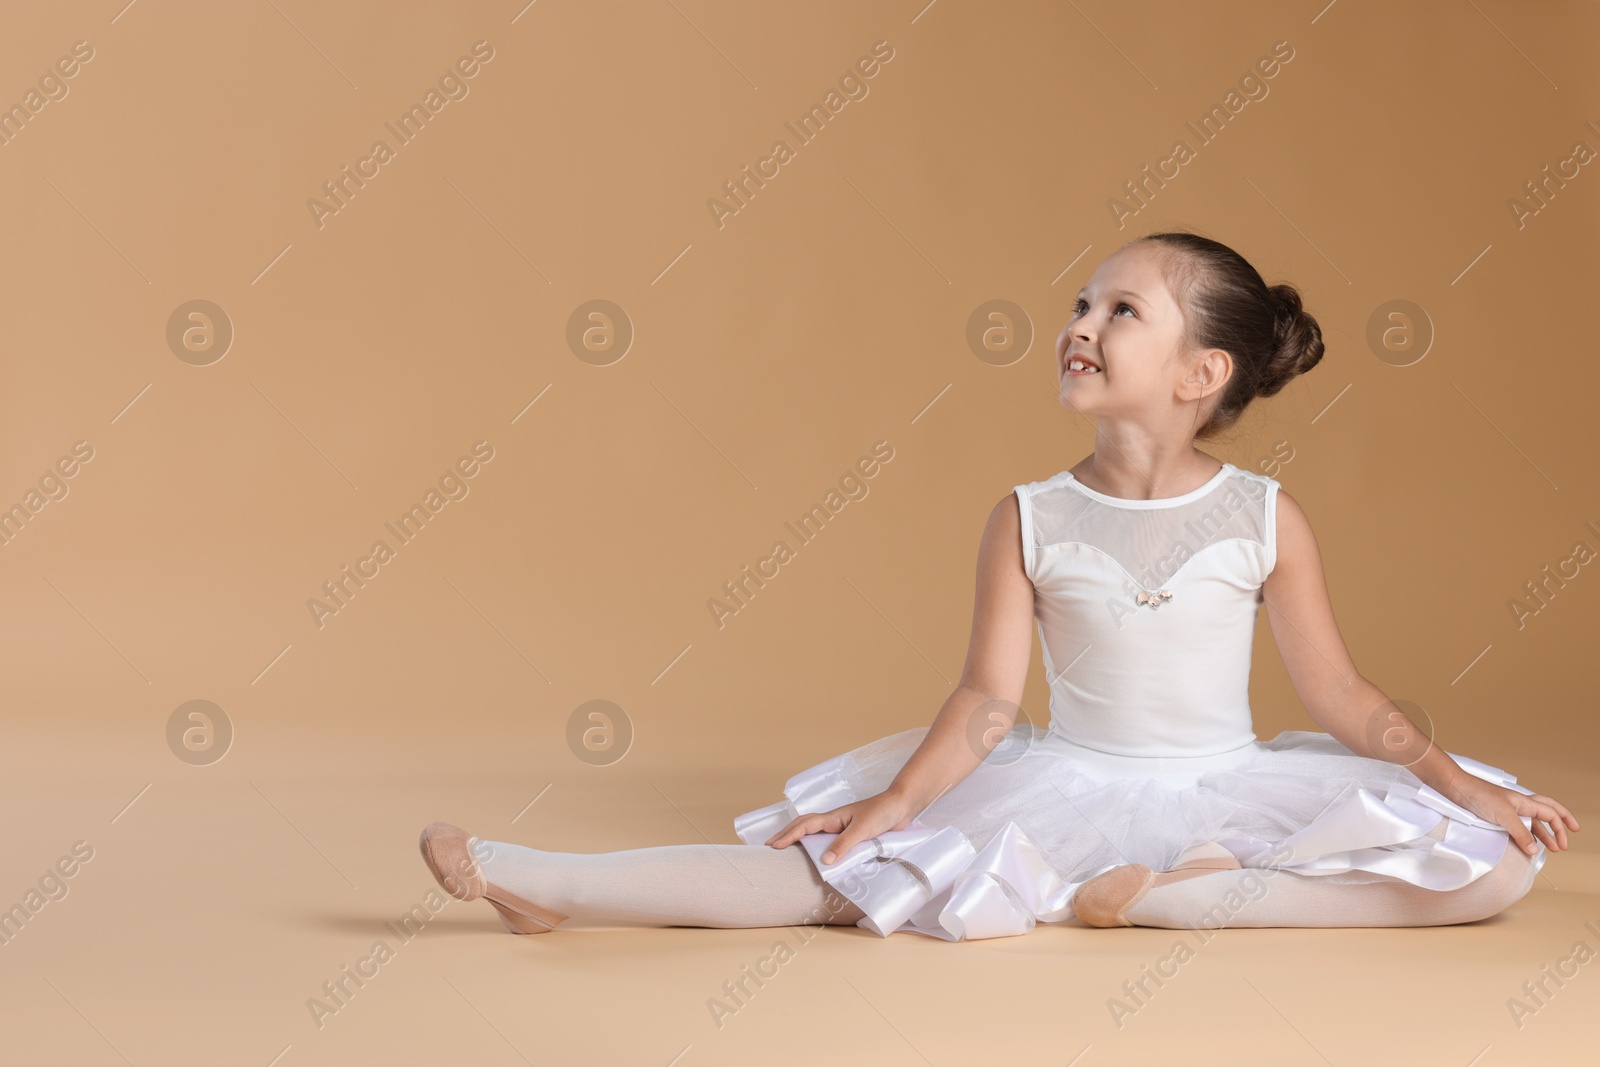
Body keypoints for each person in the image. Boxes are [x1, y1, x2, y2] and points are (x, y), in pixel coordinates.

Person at [418, 230, 1579, 939]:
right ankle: (545, 877)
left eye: (1120, 309)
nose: (1079, 324)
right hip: (1066, 781)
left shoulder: (1263, 514)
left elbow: (1336, 692)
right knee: (840, 878)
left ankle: (1181, 896)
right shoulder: (1028, 517)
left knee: (1496, 866)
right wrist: (896, 804)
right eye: (1080, 303)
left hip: (1226, 782)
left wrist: (1457, 783)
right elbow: (986, 701)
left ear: (1199, 372)